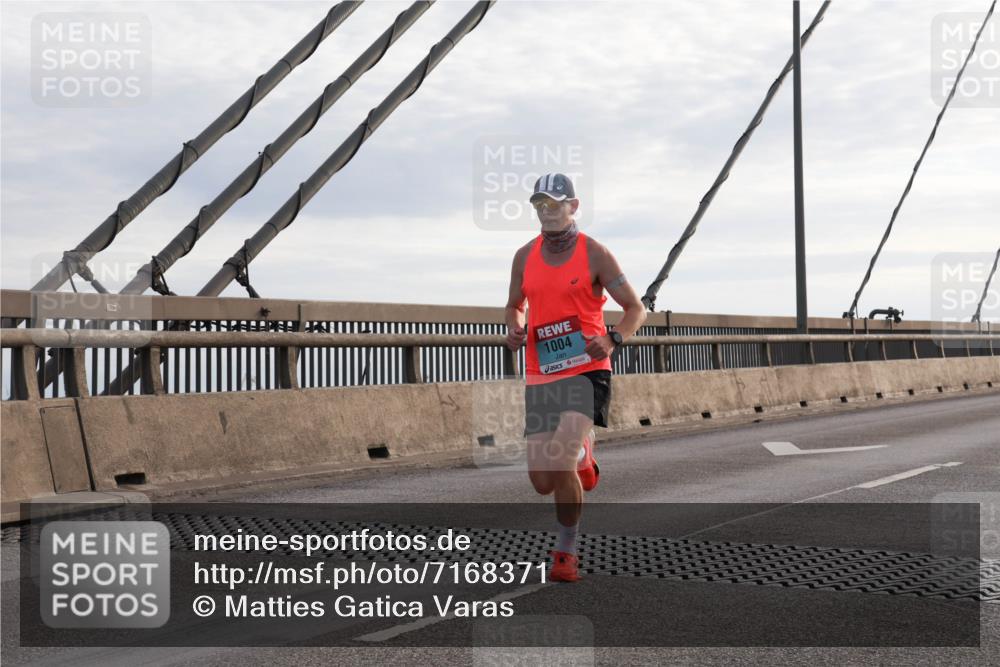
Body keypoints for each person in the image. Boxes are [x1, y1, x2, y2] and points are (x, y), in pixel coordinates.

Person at [504, 172, 647, 582]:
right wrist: (514, 327)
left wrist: (614, 337)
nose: (546, 212)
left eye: (553, 204)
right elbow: (514, 305)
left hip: (586, 371)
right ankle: (584, 454)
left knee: (560, 461)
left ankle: (565, 551)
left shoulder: (595, 253)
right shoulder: (524, 256)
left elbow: (636, 308)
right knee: (541, 481)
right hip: (541, 374)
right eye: (539, 205)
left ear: (573, 206)